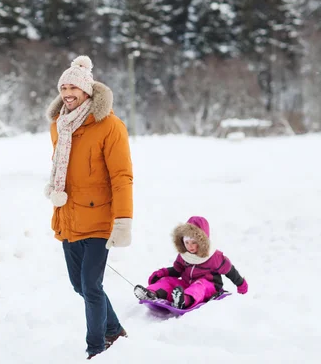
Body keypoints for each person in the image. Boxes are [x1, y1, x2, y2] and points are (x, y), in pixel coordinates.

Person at [44, 55, 133, 359]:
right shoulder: (59, 126)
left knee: (91, 287)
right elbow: (59, 166)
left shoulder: (110, 125)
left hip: (99, 217)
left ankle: (96, 348)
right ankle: (115, 328)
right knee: (79, 286)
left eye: (74, 87)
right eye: (63, 87)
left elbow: (122, 176)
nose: (67, 93)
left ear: (87, 91)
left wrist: (123, 220)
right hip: (68, 216)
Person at [134, 216, 248, 308]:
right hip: (187, 284)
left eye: (194, 242)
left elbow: (230, 271)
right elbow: (177, 270)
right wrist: (162, 273)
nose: (190, 246)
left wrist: (241, 285)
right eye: (187, 242)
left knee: (199, 285)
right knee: (168, 281)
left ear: (202, 241)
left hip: (209, 287)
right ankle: (152, 293)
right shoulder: (184, 255)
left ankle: (184, 300)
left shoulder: (214, 256)